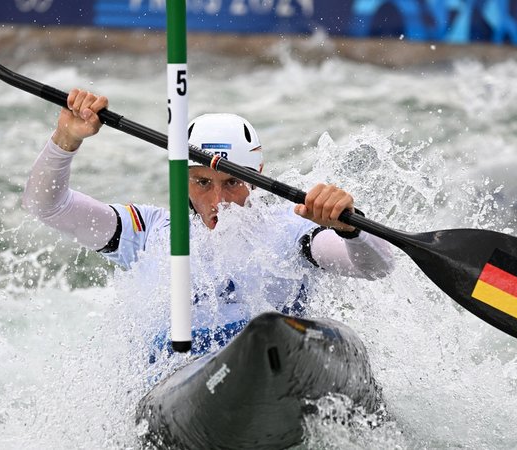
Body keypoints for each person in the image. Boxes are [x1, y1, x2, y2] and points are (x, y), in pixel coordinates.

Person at [23, 89, 395, 359]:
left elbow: (377, 267)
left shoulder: (290, 229)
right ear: (182, 180)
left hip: (270, 364)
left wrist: (351, 229)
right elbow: (47, 206)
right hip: (175, 383)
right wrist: (65, 139)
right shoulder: (147, 232)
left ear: (257, 176)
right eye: (202, 182)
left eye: (232, 182)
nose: (217, 200)